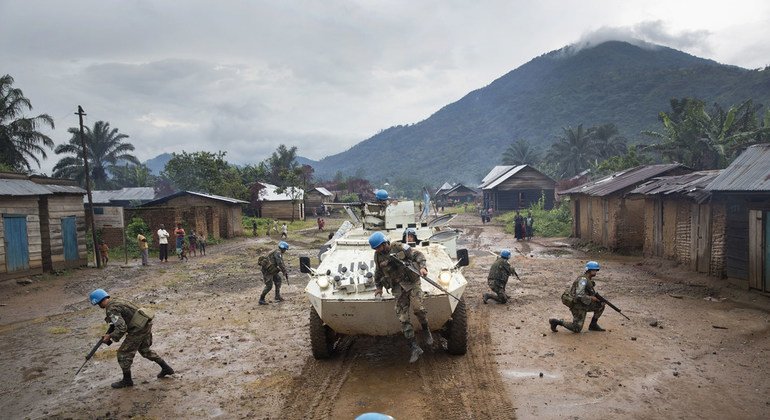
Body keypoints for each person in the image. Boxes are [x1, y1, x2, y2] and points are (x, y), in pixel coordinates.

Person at [88, 289, 174, 388]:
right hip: (145, 324)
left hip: (137, 330)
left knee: (123, 354)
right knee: (145, 351)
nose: (99, 307)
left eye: (98, 304)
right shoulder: (117, 300)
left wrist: (110, 336)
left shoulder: (111, 308)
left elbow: (122, 328)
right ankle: (166, 368)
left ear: (99, 301)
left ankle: (127, 380)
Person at [369, 231, 431, 363]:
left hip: (412, 282)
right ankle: (414, 347)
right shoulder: (377, 256)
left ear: (385, 243)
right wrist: (378, 288)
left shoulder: (398, 247)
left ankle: (426, 329)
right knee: (403, 318)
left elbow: (417, 254)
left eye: (379, 247)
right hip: (398, 287)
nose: (378, 250)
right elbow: (378, 272)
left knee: (418, 309)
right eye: (375, 248)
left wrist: (422, 267)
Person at [549, 261, 606, 333]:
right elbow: (579, 294)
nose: (595, 272)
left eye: (596, 270)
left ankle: (593, 325)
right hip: (577, 304)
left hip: (583, 302)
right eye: (593, 270)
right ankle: (557, 322)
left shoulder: (588, 279)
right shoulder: (583, 280)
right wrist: (591, 298)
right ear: (588, 270)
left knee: (601, 304)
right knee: (577, 328)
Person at [259, 241, 289, 305]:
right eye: (285, 249)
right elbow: (280, 263)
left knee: (278, 280)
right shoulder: (278, 253)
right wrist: (284, 271)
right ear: (283, 248)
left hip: (271, 270)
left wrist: (284, 271)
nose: (285, 251)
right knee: (269, 286)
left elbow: (280, 263)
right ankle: (261, 299)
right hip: (267, 271)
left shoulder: (277, 251)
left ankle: (277, 296)